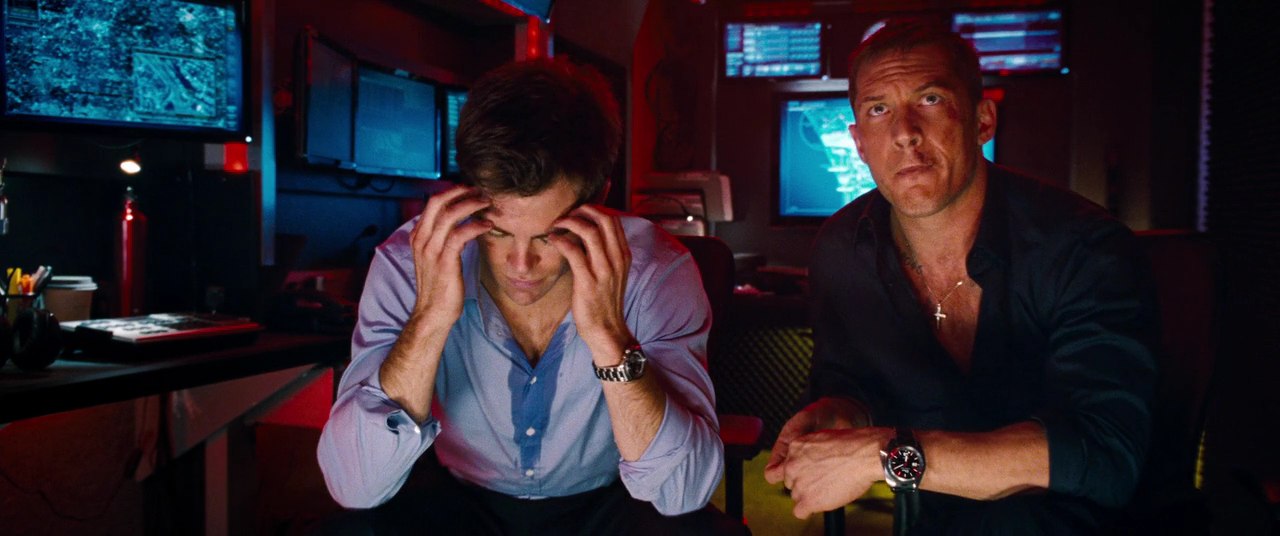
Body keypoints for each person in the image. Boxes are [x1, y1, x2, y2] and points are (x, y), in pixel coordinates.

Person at [764, 19, 1159, 534]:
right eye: (879, 109)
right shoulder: (843, 250)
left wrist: (885, 454)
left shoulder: (1084, 248)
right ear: (859, 142)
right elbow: (850, 382)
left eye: (930, 100)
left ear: (982, 120)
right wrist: (839, 416)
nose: (904, 132)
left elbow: (1103, 456)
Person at [317, 59, 730, 535]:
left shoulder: (657, 270)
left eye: (548, 237)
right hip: (461, 500)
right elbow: (355, 486)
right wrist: (429, 320)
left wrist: (610, 340)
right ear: (465, 195)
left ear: (599, 199)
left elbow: (684, 491)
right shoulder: (406, 261)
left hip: (607, 500)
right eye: (496, 232)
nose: (519, 265)